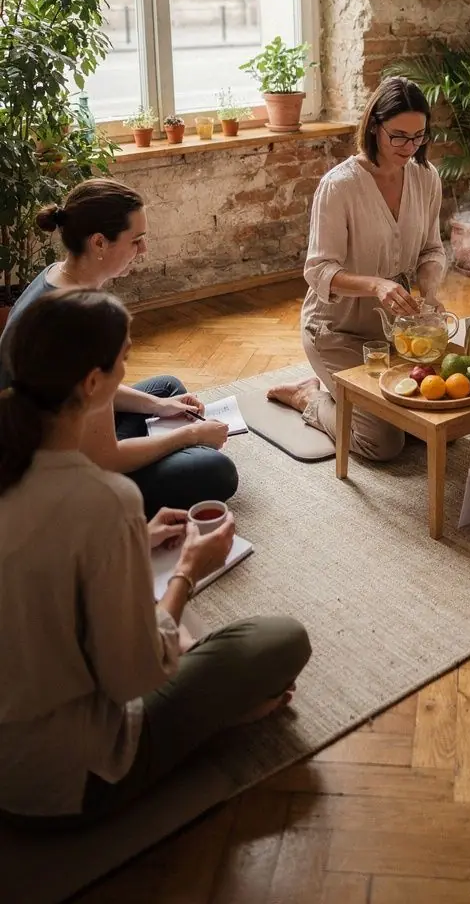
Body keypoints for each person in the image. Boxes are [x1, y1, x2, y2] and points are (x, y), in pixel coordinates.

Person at [0, 290, 311, 822]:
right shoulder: (103, 498)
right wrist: (188, 571)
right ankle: (210, 721)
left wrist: (133, 544)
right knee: (283, 642)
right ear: (92, 383)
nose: (128, 370)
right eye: (123, 360)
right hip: (70, 781)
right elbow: (135, 677)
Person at [0, 179, 237, 516]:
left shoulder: (57, 276)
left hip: (57, 431)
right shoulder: (78, 321)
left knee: (168, 389)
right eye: (136, 240)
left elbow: (93, 389)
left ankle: (167, 437)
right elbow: (103, 458)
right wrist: (190, 437)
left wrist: (159, 404)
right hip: (48, 476)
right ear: (99, 242)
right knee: (217, 472)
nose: (143, 251)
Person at [267, 77, 448, 460]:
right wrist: (378, 286)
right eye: (398, 136)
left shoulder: (426, 177)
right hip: (337, 332)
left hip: (398, 336)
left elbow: (431, 249)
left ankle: (339, 394)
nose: (409, 147)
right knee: (382, 442)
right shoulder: (340, 187)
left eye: (419, 136)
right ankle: (309, 397)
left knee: (444, 423)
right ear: (374, 127)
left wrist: (430, 295)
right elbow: (318, 271)